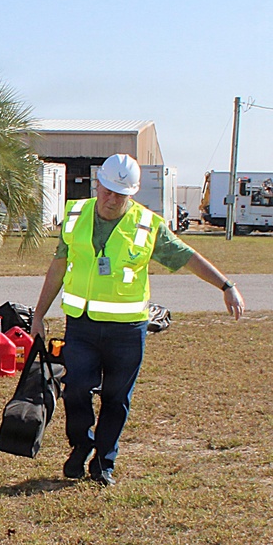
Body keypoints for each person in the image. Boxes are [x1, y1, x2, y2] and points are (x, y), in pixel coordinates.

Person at [32, 153, 246, 486]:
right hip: (82, 326)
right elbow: (59, 265)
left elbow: (187, 256)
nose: (110, 198)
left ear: (131, 194)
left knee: (117, 397)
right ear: (97, 184)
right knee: (75, 391)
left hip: (127, 332)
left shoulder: (148, 225)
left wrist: (226, 285)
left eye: (119, 193)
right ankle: (80, 447)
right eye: (106, 189)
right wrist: (39, 313)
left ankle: (104, 461)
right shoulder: (76, 214)